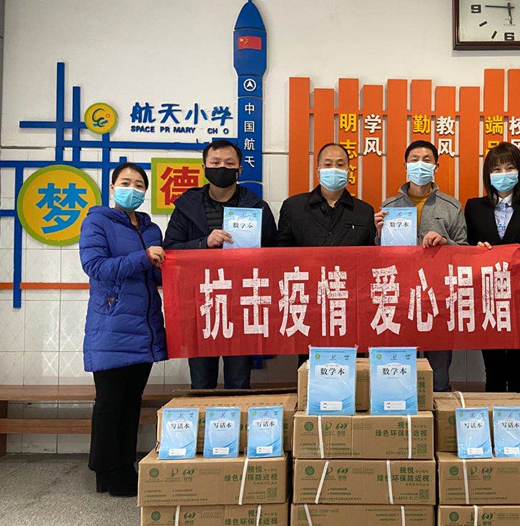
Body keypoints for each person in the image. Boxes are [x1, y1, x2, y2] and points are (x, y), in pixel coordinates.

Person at [79, 162, 167, 497]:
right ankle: (107, 471)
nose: (133, 189)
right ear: (113, 188)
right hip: (112, 325)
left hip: (144, 328)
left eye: (139, 184)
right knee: (110, 403)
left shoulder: (150, 228)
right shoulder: (97, 221)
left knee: (131, 402)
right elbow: (95, 267)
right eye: (126, 182)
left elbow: (156, 274)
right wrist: (144, 258)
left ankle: (123, 467)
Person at [163, 139, 277, 389]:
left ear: (239, 169)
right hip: (200, 301)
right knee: (202, 380)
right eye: (215, 163)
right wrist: (204, 242)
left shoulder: (257, 207)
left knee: (239, 380)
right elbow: (170, 249)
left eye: (229, 163)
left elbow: (274, 255)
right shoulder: (186, 206)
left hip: (242, 301)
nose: (222, 168)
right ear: (204, 167)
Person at [374, 140, 468, 392]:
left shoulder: (451, 206)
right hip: (400, 295)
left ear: (436, 166)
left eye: (427, 160)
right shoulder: (389, 207)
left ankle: (439, 408)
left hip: (438, 296)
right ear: (405, 166)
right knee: (399, 363)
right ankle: (398, 404)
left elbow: (464, 251)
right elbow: (380, 256)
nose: (420, 165)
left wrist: (445, 242)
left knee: (438, 368)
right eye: (414, 160)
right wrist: (379, 234)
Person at [278, 142, 377, 365]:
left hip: (350, 304)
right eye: (328, 164)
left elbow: (371, 260)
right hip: (308, 302)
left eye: (340, 165)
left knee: (352, 364)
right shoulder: (293, 207)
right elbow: (281, 254)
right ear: (318, 170)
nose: (334, 169)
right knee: (310, 364)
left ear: (349, 170)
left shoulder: (364, 211)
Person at [464, 142, 520, 393]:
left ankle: (518, 417)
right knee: (493, 370)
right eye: (497, 169)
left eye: (510, 168)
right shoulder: (474, 207)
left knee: (519, 370)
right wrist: (475, 250)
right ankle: (494, 417)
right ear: (488, 174)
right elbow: (465, 250)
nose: (503, 174)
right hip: (487, 299)